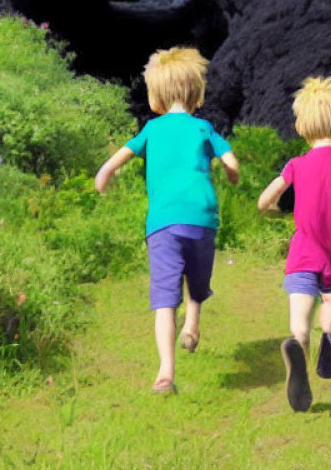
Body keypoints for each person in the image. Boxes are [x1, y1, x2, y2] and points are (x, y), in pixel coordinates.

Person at [95, 47, 240, 394]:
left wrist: (104, 174)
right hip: (202, 219)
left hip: (161, 223)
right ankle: (193, 322)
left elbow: (120, 157)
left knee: (164, 296)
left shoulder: (152, 129)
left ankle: (166, 373)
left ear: (155, 96)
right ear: (196, 94)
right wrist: (232, 174)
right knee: (197, 279)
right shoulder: (204, 127)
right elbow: (230, 160)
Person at [257, 75, 331, 412]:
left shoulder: (296, 165)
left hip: (301, 255)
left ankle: (299, 340)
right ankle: (328, 332)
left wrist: (272, 208)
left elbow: (265, 199)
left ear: (301, 125)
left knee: (298, 315)